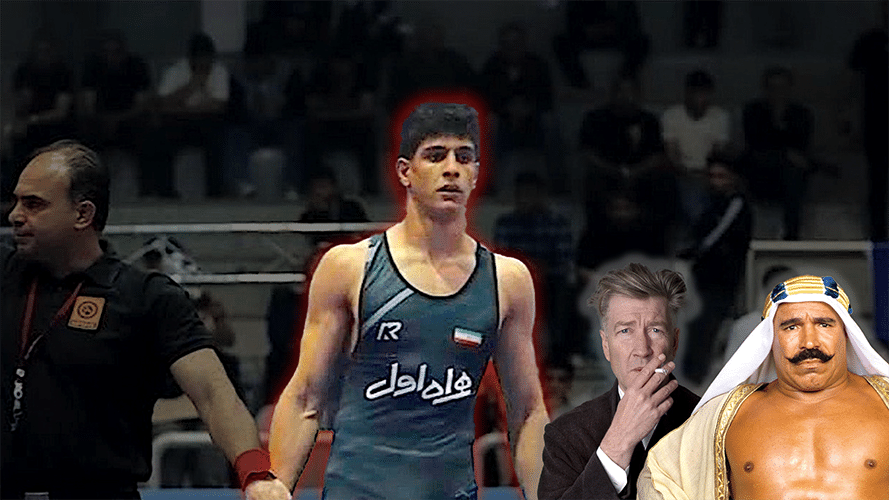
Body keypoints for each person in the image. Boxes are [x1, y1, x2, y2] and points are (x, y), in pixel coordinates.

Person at [268, 102, 548, 499]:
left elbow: (528, 412)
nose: (451, 169)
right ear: (405, 171)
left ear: (475, 173)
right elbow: (306, 398)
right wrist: (277, 485)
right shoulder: (350, 267)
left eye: (463, 157)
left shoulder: (507, 280)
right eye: (435, 156)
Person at [0, 140, 289, 500]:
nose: (15, 215)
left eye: (33, 204)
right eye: (16, 201)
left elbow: (214, 395)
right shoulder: (6, 275)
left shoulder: (146, 298)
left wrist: (256, 475)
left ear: (83, 215)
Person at [638, 274, 889, 499]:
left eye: (824, 324)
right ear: (770, 340)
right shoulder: (728, 414)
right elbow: (659, 475)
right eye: (791, 327)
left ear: (846, 333)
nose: (809, 342)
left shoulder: (885, 404)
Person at [539, 263, 700, 500]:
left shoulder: (711, 421)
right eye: (625, 331)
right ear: (606, 345)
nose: (642, 350)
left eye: (655, 330)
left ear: (674, 343)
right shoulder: (566, 436)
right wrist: (616, 446)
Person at [678, 147, 753, 383]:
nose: (715, 181)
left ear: (734, 178)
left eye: (721, 176)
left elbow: (714, 238)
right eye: (712, 176)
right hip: (702, 277)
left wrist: (692, 253)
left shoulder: (737, 205)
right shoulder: (709, 204)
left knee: (706, 327)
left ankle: (694, 379)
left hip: (721, 279)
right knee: (693, 326)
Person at [138, 33, 229, 198]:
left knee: (217, 139)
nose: (204, 64)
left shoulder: (219, 71)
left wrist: (182, 106)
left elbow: (219, 107)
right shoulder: (175, 71)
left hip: (208, 122)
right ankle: (165, 192)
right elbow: (163, 105)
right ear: (191, 58)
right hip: (178, 122)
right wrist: (192, 86)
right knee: (159, 138)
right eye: (200, 59)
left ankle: (215, 192)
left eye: (207, 59)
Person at [742, 66, 813, 240]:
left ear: (789, 89)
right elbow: (755, 144)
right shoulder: (753, 111)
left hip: (789, 175)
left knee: (794, 171)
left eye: (782, 87)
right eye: (773, 87)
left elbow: (801, 146)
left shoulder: (802, 114)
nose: (777, 92)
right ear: (765, 89)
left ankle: (792, 235)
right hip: (760, 173)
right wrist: (783, 153)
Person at [662, 70, 729, 224]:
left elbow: (718, 153)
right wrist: (687, 173)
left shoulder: (720, 116)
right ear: (687, 93)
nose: (700, 98)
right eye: (696, 93)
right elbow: (671, 153)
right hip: (681, 173)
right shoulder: (671, 115)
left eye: (704, 93)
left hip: (710, 173)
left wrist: (706, 174)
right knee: (690, 196)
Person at [849, 1, 889, 242]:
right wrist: (851, 119)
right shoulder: (870, 41)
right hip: (876, 122)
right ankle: (880, 243)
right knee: (877, 185)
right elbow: (853, 81)